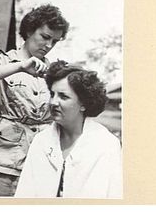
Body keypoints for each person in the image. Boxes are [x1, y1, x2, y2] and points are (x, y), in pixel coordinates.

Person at [0, 4, 69, 196]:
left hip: (45, 158)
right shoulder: (3, 60)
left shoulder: (56, 70)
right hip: (5, 160)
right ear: (29, 30)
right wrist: (20, 66)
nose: (48, 46)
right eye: (45, 37)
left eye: (54, 41)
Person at [15, 60, 122, 198]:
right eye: (52, 94)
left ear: (83, 104)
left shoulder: (106, 144)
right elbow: (25, 194)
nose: (53, 102)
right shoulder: (41, 141)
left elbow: (114, 196)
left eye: (63, 96)